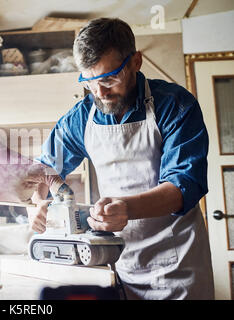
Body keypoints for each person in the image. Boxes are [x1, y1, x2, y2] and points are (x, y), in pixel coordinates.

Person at [27, 17, 214, 300]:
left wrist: (125, 208)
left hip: (179, 263)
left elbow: (182, 187)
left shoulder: (176, 105)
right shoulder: (80, 117)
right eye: (89, 82)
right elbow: (44, 171)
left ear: (135, 62)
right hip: (118, 260)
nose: (99, 93)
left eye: (109, 78)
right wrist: (40, 203)